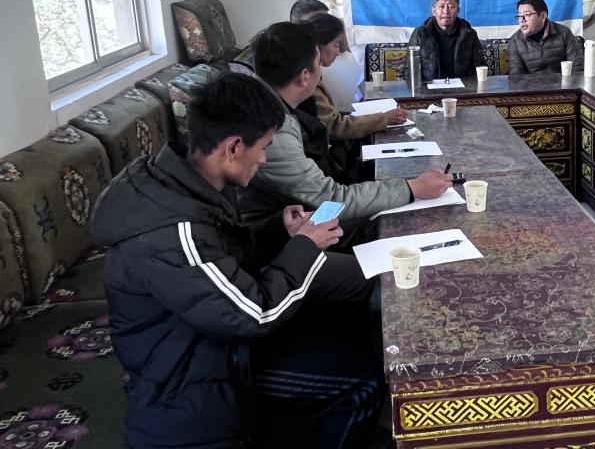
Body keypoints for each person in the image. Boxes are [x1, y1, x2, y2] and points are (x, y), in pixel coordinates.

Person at [90, 73, 383, 449]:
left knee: (347, 322)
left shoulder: (184, 185)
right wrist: (306, 246)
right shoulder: (173, 230)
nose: (263, 159)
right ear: (232, 147)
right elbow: (255, 315)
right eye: (262, 148)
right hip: (189, 383)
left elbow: (222, 261)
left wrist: (280, 231)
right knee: (362, 384)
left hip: (216, 343)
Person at [244, 21, 451, 223]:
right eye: (318, 63)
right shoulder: (275, 132)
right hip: (287, 229)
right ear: (304, 76)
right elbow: (330, 199)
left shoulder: (265, 102)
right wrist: (413, 188)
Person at [304, 11, 406, 139]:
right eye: (336, 44)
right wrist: (384, 118)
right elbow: (334, 126)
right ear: (319, 44)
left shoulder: (310, 73)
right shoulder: (306, 80)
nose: (338, 52)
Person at [408, 0, 485, 81]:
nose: (446, 11)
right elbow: (409, 71)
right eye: (441, 6)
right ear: (434, 11)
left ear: (458, 10)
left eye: (451, 7)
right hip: (429, 87)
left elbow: (480, 67)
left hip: (463, 86)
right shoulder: (420, 34)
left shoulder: (469, 34)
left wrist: (471, 87)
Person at [506, 0, 584, 74]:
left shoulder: (564, 33)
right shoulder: (515, 41)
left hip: (562, 81)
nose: (522, 20)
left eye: (526, 15)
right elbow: (516, 76)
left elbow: (578, 68)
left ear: (543, 16)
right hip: (531, 82)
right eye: (519, 16)